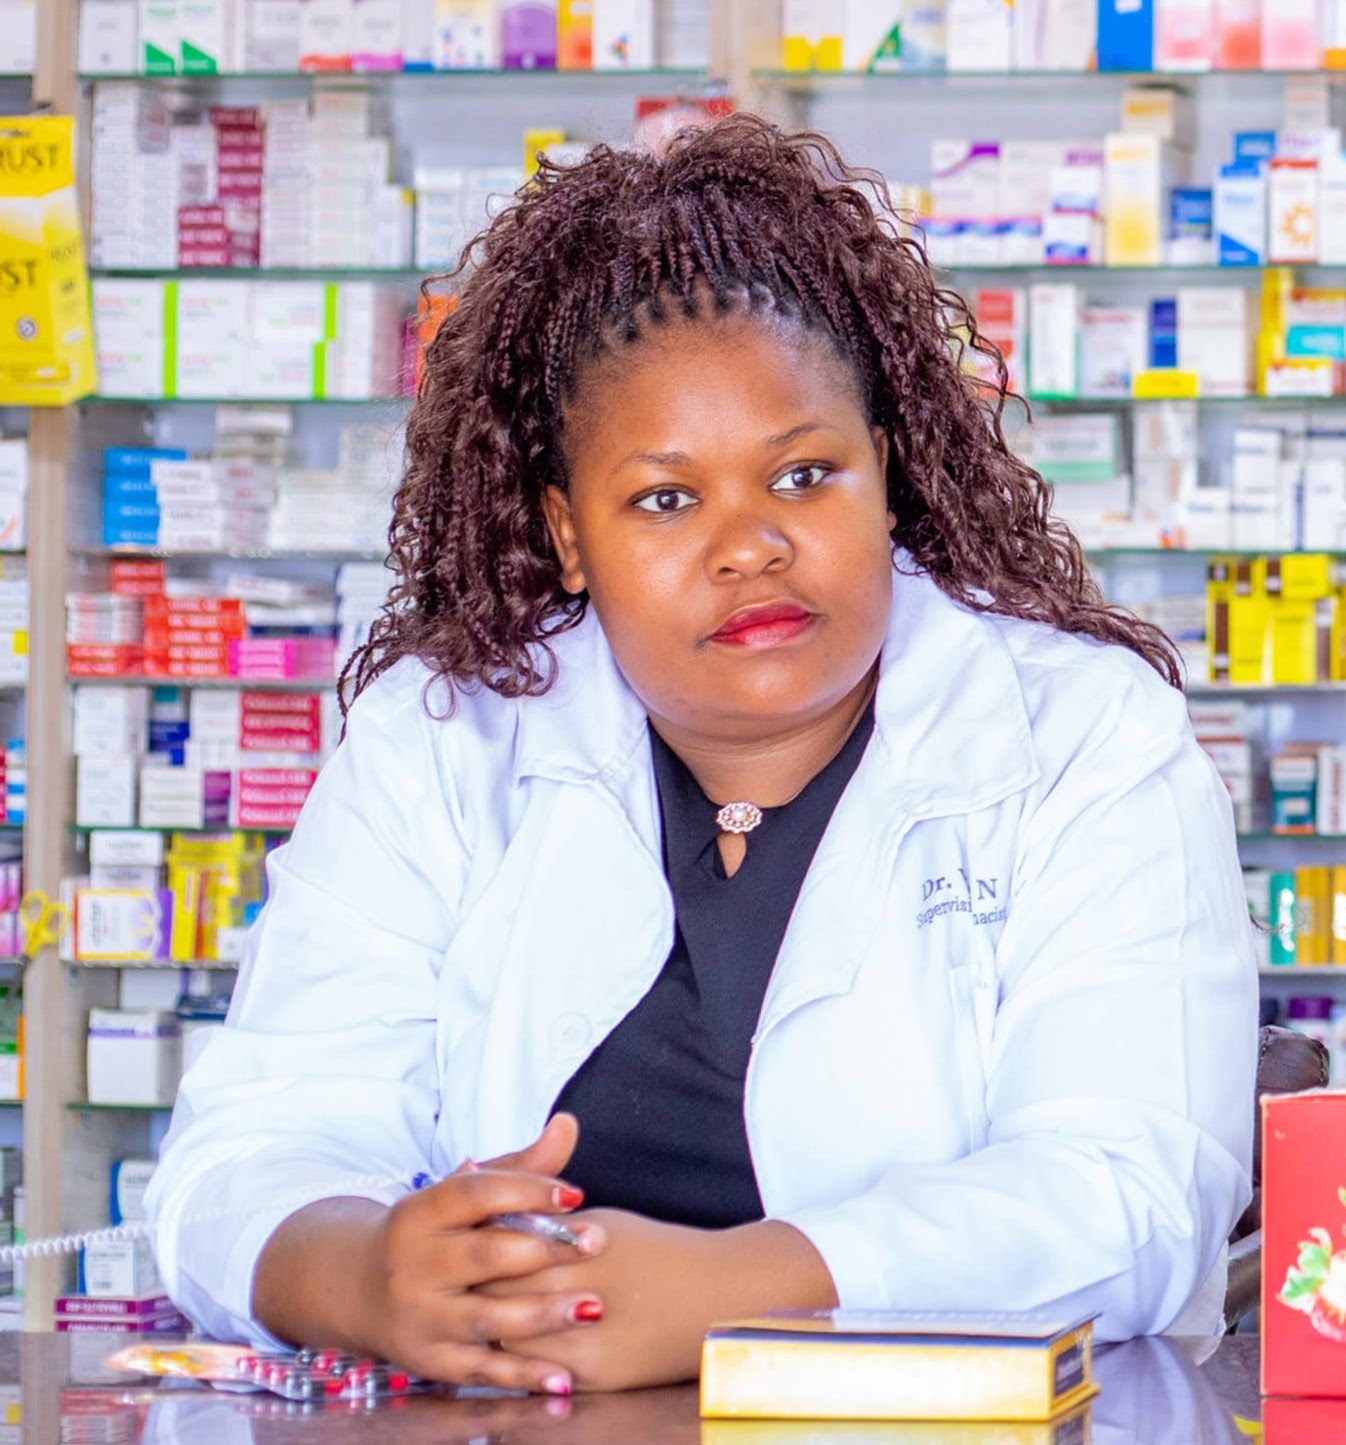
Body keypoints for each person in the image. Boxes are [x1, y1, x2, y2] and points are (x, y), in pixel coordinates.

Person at [146, 115, 1258, 1396]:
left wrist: (732, 1292)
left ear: (885, 473)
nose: (749, 546)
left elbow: (1129, 1191)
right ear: (569, 534)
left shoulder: (1084, 737)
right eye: (666, 499)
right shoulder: (447, 737)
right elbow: (250, 1142)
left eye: (804, 475)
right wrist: (366, 1274)